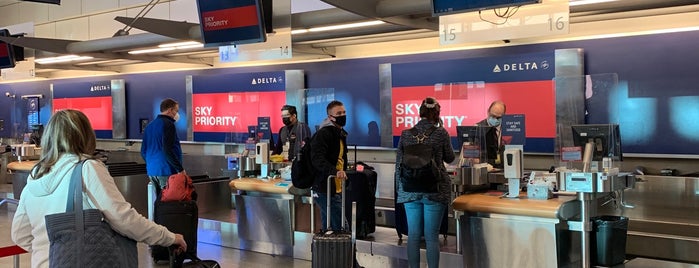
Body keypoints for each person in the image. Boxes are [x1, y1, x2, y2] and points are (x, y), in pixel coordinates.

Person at [11, 109, 187, 268]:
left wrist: (52, 251)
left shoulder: (35, 175)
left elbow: (19, 234)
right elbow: (124, 219)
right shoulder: (87, 168)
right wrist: (169, 237)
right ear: (85, 135)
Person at [395, 97, 455, 268]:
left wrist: (401, 191)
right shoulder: (441, 133)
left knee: (413, 236)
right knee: (431, 237)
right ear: (436, 114)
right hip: (434, 190)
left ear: (420, 113)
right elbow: (450, 158)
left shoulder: (406, 134)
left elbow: (399, 164)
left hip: (409, 190)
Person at [141, 98, 186, 190]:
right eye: (176, 111)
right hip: (166, 170)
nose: (177, 114)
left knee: (159, 201)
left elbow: (143, 151)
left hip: (152, 171)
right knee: (169, 202)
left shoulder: (149, 126)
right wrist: (180, 169)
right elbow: (167, 150)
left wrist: (152, 163)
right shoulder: (168, 124)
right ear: (170, 110)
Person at [477, 100, 506, 168]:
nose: (495, 119)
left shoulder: (508, 129)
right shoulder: (478, 128)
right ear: (488, 112)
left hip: (503, 170)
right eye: (493, 116)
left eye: (498, 117)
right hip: (484, 170)